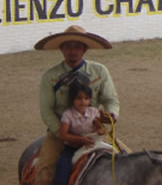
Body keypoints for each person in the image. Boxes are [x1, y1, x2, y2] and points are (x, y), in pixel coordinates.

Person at [33, 25, 119, 185]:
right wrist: (63, 133)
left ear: (85, 49)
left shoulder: (100, 71)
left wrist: (111, 115)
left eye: (77, 47)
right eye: (68, 46)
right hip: (60, 134)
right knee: (45, 171)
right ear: (61, 49)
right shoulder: (50, 76)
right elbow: (47, 110)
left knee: (125, 162)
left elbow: (110, 100)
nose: (73, 51)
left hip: (94, 132)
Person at [54, 82, 105, 184]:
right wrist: (81, 140)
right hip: (73, 147)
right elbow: (63, 135)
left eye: (86, 98)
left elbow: (99, 128)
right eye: (79, 98)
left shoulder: (94, 112)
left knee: (118, 153)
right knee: (63, 164)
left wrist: (101, 131)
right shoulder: (68, 115)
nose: (83, 102)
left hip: (93, 144)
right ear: (72, 100)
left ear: (90, 100)